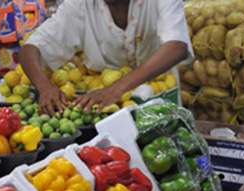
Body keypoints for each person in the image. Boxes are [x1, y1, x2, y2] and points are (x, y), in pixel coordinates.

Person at [20, 0, 193, 115]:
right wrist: (45, 87)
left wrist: (117, 88)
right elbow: (31, 47)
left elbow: (177, 46)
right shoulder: (80, 5)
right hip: (106, 108)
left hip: (159, 96)